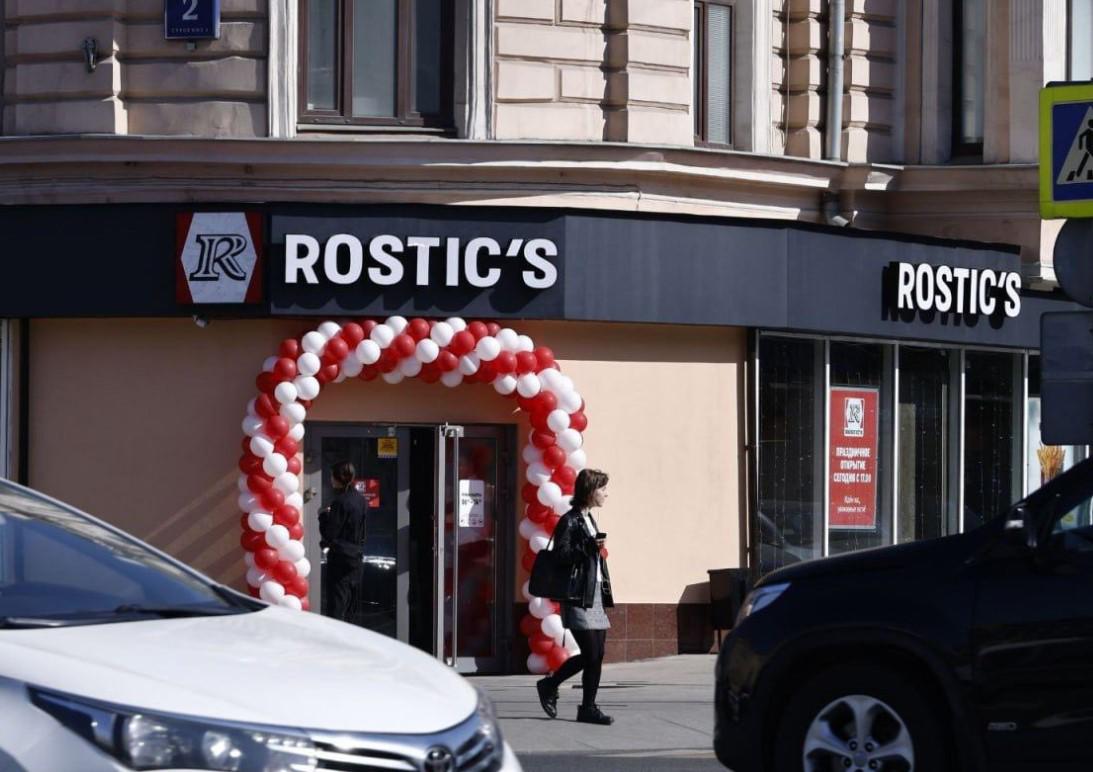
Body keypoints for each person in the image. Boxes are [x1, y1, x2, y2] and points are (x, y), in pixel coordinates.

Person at [535, 468, 615, 725]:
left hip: (593, 594)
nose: (606, 493)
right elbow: (561, 555)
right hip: (576, 596)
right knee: (590, 654)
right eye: (602, 488)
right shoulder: (569, 520)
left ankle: (587, 708)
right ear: (590, 491)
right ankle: (551, 684)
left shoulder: (589, 518)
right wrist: (587, 547)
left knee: (597, 654)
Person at [318, 461, 367, 623]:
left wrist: (323, 516)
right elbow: (362, 531)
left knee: (336, 606)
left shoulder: (340, 502)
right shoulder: (360, 500)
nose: (331, 479)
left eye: (332, 476)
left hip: (340, 560)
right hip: (356, 558)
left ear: (339, 477)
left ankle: (335, 637)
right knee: (351, 607)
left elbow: (329, 534)